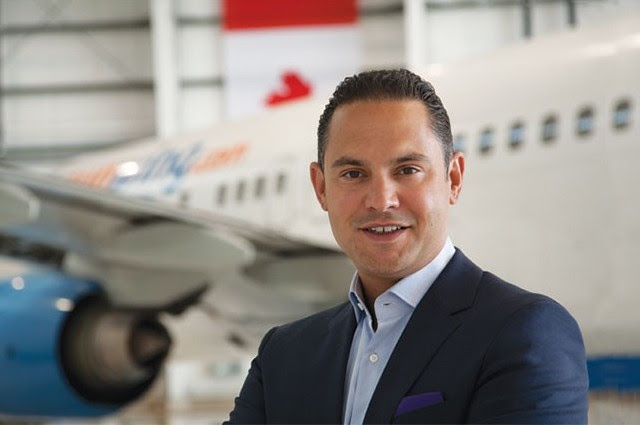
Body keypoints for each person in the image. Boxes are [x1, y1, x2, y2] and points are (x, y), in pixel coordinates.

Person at [225, 69, 588, 424]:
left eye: (407, 170)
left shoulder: (525, 334)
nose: (381, 200)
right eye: (353, 174)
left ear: (453, 179)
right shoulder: (284, 355)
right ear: (321, 189)